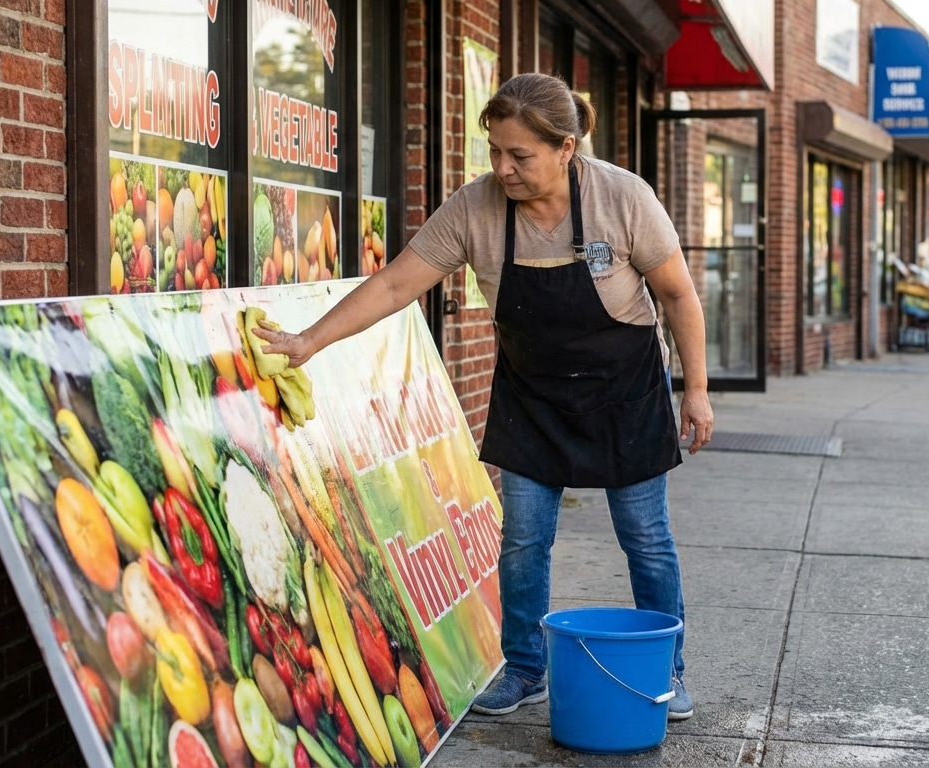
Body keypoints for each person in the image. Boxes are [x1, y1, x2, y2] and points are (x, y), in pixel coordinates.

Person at [254, 72, 714, 721]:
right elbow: (394, 286)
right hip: (532, 394)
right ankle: (524, 668)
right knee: (524, 538)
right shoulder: (476, 209)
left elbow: (678, 295)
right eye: (495, 151)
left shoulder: (623, 198)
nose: (503, 169)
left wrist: (696, 390)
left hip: (625, 393)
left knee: (645, 536)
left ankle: (666, 670)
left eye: (519, 155)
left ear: (565, 148)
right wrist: (309, 340)